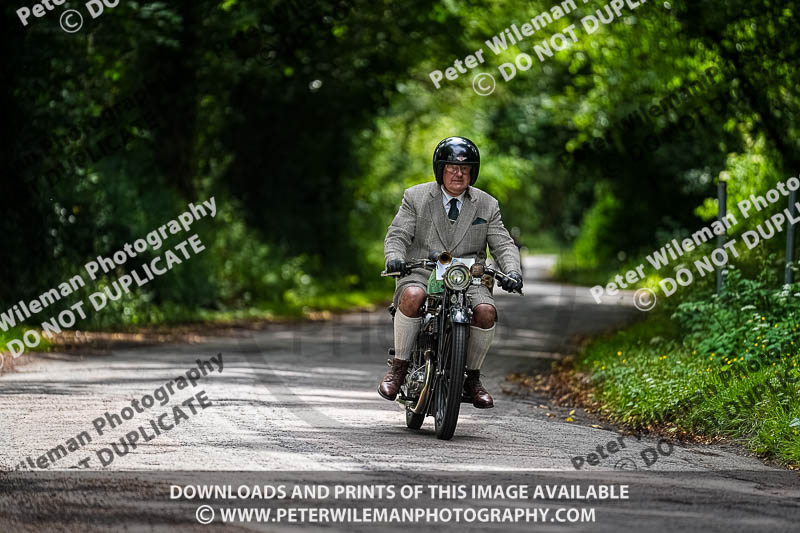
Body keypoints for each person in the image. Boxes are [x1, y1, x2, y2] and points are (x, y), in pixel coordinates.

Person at [378, 136, 523, 409]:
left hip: (469, 278)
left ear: (473, 172)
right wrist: (395, 258)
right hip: (422, 270)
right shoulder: (416, 197)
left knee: (486, 312)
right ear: (440, 169)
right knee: (411, 295)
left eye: (465, 168)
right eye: (452, 167)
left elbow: (503, 243)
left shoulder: (487, 204)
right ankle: (399, 368)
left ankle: (472, 377)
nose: (459, 173)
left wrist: (513, 271)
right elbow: (397, 234)